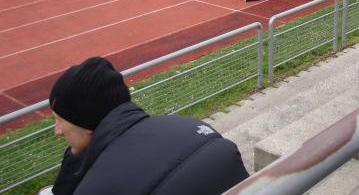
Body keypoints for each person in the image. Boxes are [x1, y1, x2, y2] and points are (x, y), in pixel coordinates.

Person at [47, 56, 249, 195]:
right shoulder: (192, 125)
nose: (57, 131)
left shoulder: (96, 187)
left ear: (85, 120)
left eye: (60, 119)